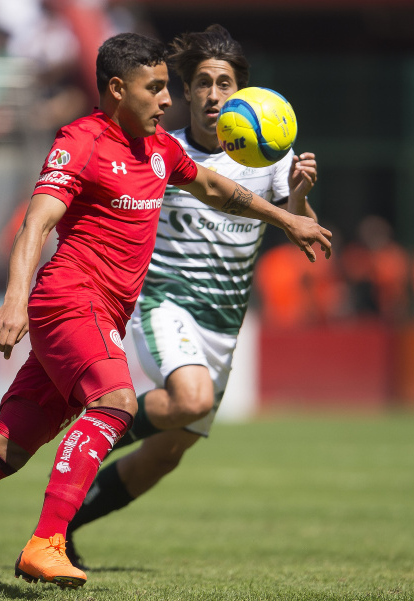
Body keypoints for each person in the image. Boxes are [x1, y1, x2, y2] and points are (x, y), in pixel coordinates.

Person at [0, 31, 332, 595]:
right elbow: (37, 223)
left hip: (100, 315)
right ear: (118, 89)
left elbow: (215, 186)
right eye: (156, 89)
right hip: (69, 301)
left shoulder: (160, 149)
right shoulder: (81, 142)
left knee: (4, 451)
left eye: (168, 89)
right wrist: (14, 301)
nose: (168, 101)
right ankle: (47, 542)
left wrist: (289, 220)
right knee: (116, 402)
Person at [63, 24, 322, 569]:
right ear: (185, 91)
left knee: (165, 455)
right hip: (164, 302)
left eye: (224, 83)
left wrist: (297, 195)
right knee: (191, 399)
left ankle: (63, 528)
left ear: (241, 93)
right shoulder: (164, 150)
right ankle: (90, 434)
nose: (212, 95)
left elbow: (303, 229)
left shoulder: (270, 153)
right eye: (201, 82)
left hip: (224, 324)